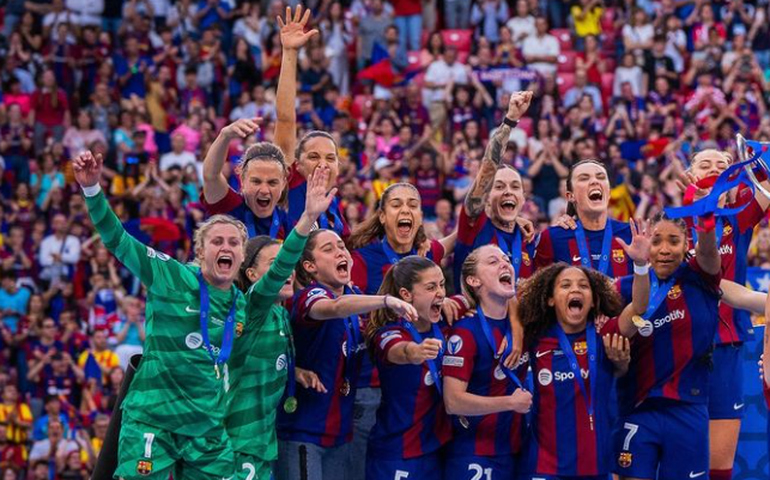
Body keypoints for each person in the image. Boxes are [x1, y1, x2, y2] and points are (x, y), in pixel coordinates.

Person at [74, 149, 251, 479]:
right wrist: (92, 191)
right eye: (217, 242)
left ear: (242, 255)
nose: (226, 248)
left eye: (233, 243)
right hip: (153, 417)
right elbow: (117, 239)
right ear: (200, 251)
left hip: (206, 428)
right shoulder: (170, 275)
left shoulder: (239, 303)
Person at [275, 229, 418, 480]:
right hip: (304, 432)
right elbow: (334, 308)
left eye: (342, 246)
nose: (340, 252)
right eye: (328, 249)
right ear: (310, 266)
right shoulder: (310, 296)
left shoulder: (353, 298)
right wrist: (386, 300)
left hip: (340, 433)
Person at [516, 219, 652, 480]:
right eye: (565, 285)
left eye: (583, 286)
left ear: (593, 301)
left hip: (596, 467)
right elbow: (511, 300)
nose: (575, 289)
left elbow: (638, 307)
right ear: (550, 298)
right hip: (545, 467)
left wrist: (641, 265)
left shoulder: (604, 332)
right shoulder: (535, 336)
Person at [227, 163, 337, 480]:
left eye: (288, 265)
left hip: (263, 440)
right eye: (276, 265)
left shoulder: (277, 312)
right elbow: (278, 273)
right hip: (238, 440)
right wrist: (307, 219)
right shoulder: (252, 306)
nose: (287, 271)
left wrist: (294, 371)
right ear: (251, 275)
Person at [679, 149, 770, 480]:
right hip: (680, 346)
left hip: (727, 344)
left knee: (720, 463)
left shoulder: (738, 219)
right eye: (705, 165)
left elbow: (768, 181)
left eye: (723, 167)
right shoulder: (674, 223)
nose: (715, 171)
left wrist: (754, 153)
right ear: (689, 174)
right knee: (680, 456)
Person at [610, 212, 721, 480]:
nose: (664, 249)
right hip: (637, 408)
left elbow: (708, 253)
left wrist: (705, 218)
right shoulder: (624, 288)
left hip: (688, 407)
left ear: (686, 245)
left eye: (674, 241)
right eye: (656, 240)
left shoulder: (701, 278)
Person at [441, 245, 532, 480]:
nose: (504, 263)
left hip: (519, 449)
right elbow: (453, 401)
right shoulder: (465, 331)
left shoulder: (525, 323)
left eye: (506, 259)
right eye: (492, 262)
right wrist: (510, 403)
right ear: (473, 280)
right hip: (475, 452)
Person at [364, 256, 451, 480]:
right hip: (398, 451)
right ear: (406, 295)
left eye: (442, 284)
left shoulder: (444, 323)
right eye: (431, 287)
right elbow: (399, 351)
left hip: (438, 450)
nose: (440, 292)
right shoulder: (389, 332)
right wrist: (416, 351)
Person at [273, 6, 350, 240]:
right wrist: (290, 53)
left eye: (330, 158)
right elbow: (285, 120)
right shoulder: (291, 184)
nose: (323, 165)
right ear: (296, 164)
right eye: (314, 157)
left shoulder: (334, 206)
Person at [455, 91, 535, 292]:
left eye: (515, 187)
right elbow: (488, 169)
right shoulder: (474, 225)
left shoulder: (530, 240)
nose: (508, 192)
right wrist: (510, 121)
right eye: (499, 187)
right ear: (486, 198)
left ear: (523, 199)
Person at [536, 160, 634, 279]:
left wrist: (641, 264)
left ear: (608, 192)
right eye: (584, 178)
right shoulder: (552, 238)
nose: (594, 181)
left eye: (601, 177)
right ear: (570, 196)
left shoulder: (631, 234)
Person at [203, 122, 294, 240]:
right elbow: (211, 176)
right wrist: (224, 136)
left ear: (283, 184)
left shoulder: (287, 224)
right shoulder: (229, 207)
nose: (264, 190)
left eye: (272, 183)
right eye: (256, 182)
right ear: (242, 180)